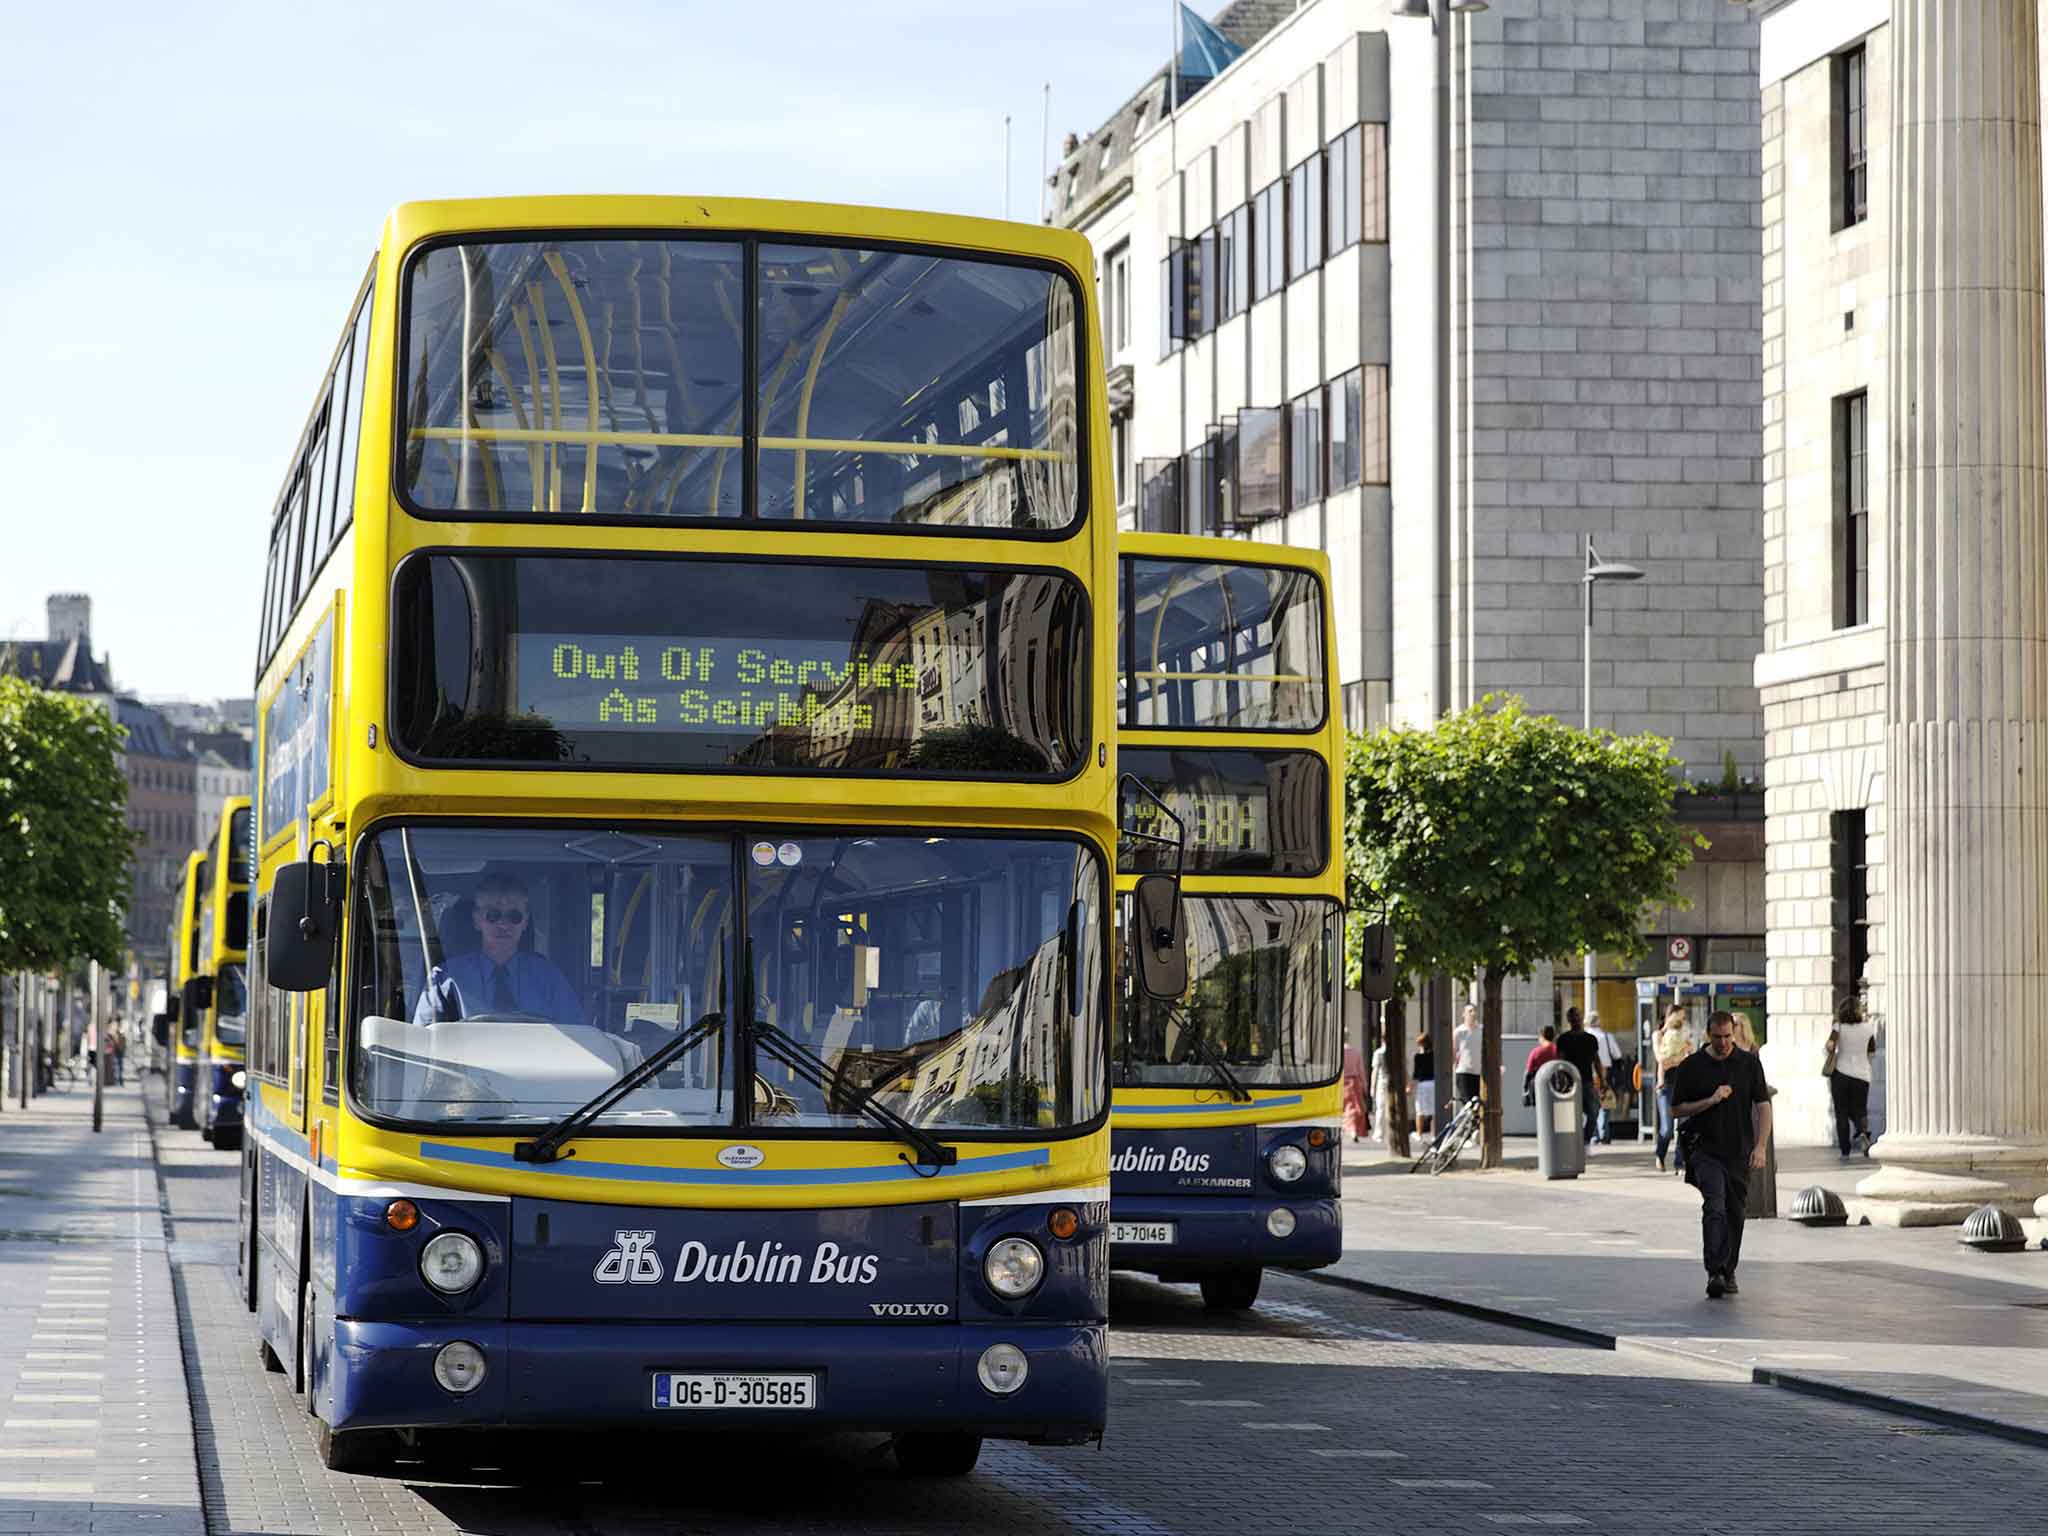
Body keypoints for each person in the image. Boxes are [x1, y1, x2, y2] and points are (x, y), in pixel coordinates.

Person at [1668, 1009, 1773, 1299]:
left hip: (1739, 1151)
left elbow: (1763, 1105)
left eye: (1728, 1037)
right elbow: (1676, 1110)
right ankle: (1714, 1270)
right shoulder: (1692, 1066)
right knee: (1715, 1205)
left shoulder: (1749, 1064)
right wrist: (1710, 1100)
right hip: (1705, 1149)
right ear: (1708, 1035)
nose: (1724, 1043)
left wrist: (1761, 1145)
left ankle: (1729, 1270)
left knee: (1736, 1213)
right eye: (1718, 1038)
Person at [414, 872, 584, 1027]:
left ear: (525, 922)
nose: (503, 924)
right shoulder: (445, 978)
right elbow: (423, 1043)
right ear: (477, 920)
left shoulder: (550, 978)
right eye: (493, 915)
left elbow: (577, 1033)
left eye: (514, 917)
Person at [1826, 1000, 1880, 1159]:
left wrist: (1832, 1047)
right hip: (1862, 1075)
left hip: (1841, 1074)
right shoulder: (1868, 1028)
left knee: (1841, 1113)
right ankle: (1863, 1133)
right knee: (1860, 1110)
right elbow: (1872, 1052)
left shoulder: (1838, 1027)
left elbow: (1830, 1045)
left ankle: (1845, 1151)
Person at [1553, 1006, 1605, 1145]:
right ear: (1568, 1020)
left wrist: (1602, 1080)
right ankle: (1573, 1141)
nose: (1575, 1019)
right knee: (1571, 1114)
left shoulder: (1590, 1039)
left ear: (1581, 1018)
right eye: (1572, 1017)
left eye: (1577, 1016)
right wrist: (1561, 1082)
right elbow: (1560, 1062)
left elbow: (1596, 1060)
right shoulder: (1563, 1039)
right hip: (1569, 1083)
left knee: (1594, 1110)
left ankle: (1586, 1139)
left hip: (1587, 1080)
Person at [1653, 1006, 1691, 1173]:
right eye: (1680, 1017)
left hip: (1683, 1084)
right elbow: (1661, 1059)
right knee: (1667, 1129)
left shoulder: (1684, 1035)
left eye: (1683, 1018)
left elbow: (1691, 1054)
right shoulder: (1659, 1035)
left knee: (1683, 1126)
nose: (1682, 1021)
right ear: (1670, 1017)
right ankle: (1660, 1155)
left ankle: (1679, 1162)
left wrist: (1676, 1059)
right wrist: (1680, 1058)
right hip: (1665, 1086)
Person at [1587, 1012, 1624, 1143]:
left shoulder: (1585, 1036)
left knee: (1591, 1103)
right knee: (1605, 1102)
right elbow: (1617, 1055)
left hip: (1588, 1073)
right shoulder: (1606, 1037)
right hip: (1605, 1072)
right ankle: (1604, 1133)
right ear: (1598, 1022)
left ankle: (1593, 1134)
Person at [1452, 1004, 1483, 1116]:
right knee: (1468, 1104)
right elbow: (1453, 1051)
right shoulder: (1459, 1032)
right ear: (1463, 1014)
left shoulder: (1482, 1030)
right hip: (1464, 1072)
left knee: (1479, 1104)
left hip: (1479, 1072)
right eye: (1469, 1011)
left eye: (1474, 1011)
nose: (1473, 1013)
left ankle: (1476, 1130)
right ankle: (1469, 1130)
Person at [1522, 1024, 1558, 1105]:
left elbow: (1528, 1073)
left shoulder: (1536, 1052)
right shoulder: (1558, 1051)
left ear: (1542, 1036)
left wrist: (1525, 1091)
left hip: (1539, 1088)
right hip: (1555, 1087)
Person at [1342, 1043, 1369, 1142]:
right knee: (1354, 1108)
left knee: (1344, 1108)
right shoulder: (1356, 1053)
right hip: (1354, 1082)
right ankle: (1353, 1130)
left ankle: (1349, 1129)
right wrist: (1364, 1086)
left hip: (1340, 1082)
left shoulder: (1339, 1052)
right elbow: (1361, 1070)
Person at [1411, 1034, 1436, 1137]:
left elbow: (1416, 1074)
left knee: (1420, 1110)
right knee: (1434, 1110)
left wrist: (1411, 1086)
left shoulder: (1418, 1057)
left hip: (1423, 1084)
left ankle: (1419, 1133)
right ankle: (1434, 1133)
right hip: (1433, 1083)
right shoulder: (1435, 1055)